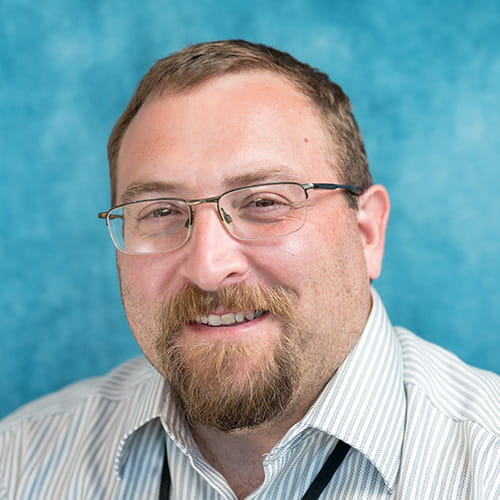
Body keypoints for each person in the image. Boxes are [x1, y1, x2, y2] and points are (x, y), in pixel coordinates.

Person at [0, 40, 498, 500]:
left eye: (264, 202)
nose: (208, 268)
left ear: (367, 232)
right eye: (161, 212)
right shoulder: (20, 463)